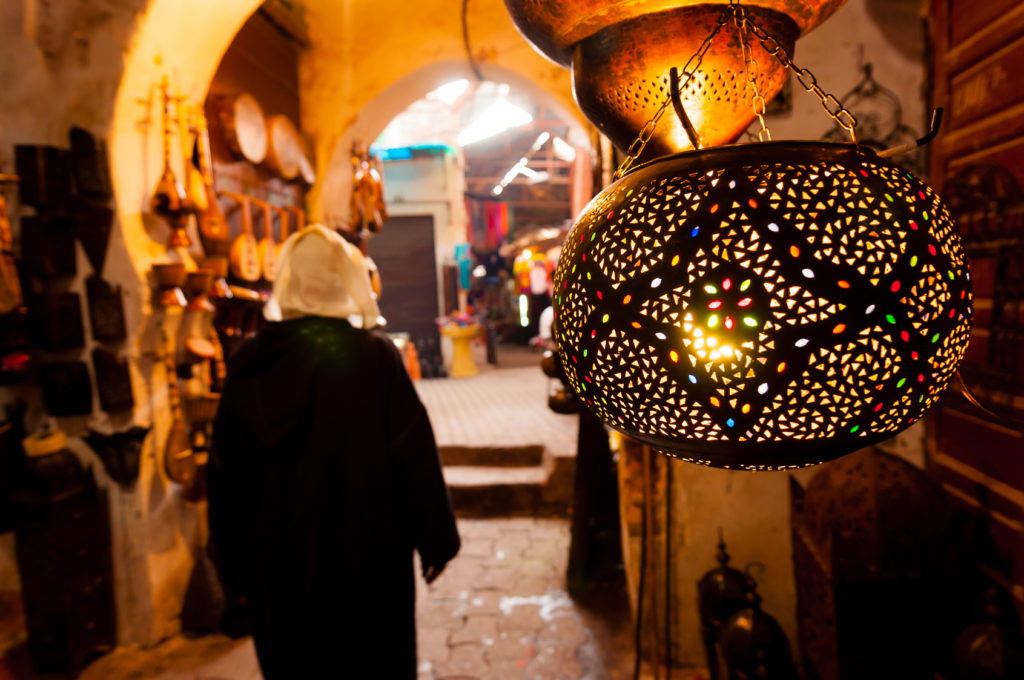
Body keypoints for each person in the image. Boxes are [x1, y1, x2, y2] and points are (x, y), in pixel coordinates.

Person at [209, 224, 460, 678]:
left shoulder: (250, 363)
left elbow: (227, 477)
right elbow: (413, 454)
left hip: (281, 564)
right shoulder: (374, 357)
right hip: (368, 556)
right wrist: (435, 538)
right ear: (345, 279)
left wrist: (234, 570)